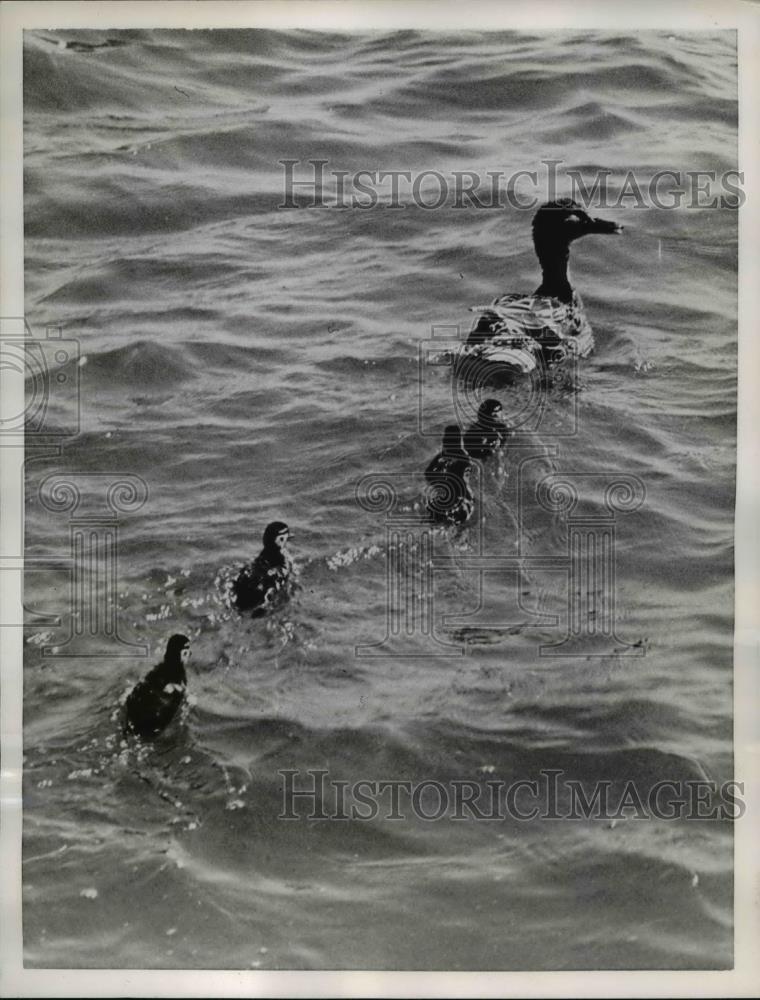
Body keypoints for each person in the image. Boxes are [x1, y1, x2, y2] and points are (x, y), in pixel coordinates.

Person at [124, 634, 191, 738]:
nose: (189, 655)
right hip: (150, 722)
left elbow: (142, 687)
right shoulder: (177, 681)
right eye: (186, 652)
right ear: (179, 654)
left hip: (135, 711)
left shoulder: (158, 670)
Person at [232, 521, 294, 615]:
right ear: (281, 539)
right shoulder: (282, 562)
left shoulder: (261, 557)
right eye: (285, 538)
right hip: (261, 592)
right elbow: (283, 573)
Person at [424, 425, 474, 525]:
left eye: (445, 439)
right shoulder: (464, 459)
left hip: (452, 498)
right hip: (461, 499)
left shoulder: (461, 460)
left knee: (433, 515)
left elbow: (428, 475)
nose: (443, 441)